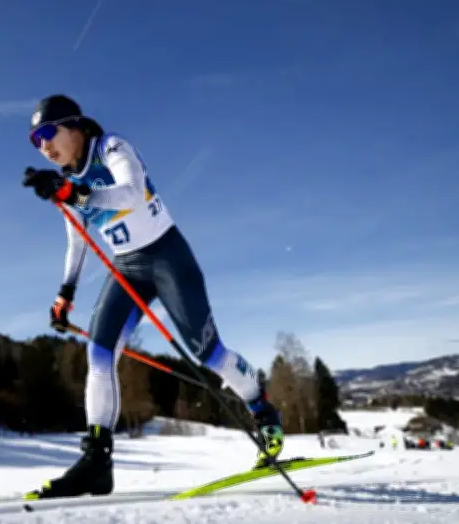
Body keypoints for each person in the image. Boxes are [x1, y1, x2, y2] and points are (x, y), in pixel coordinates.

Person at [22, 94, 284, 500]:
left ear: (73, 126)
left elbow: (129, 193)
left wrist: (73, 194)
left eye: (46, 134)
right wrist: (65, 293)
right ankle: (97, 461)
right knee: (99, 352)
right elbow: (78, 239)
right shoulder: (67, 185)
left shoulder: (111, 148)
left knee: (208, 353)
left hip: (167, 258)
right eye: (34, 141)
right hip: (128, 269)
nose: (43, 146)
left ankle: (263, 410)